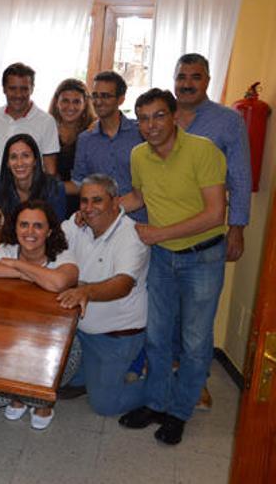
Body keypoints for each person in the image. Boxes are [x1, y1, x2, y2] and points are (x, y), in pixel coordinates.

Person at [117, 89, 227, 446]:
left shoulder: (203, 151)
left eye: (158, 115)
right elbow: (140, 197)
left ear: (175, 114)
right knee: (157, 337)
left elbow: (215, 213)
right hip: (163, 258)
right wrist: (100, 209)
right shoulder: (138, 155)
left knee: (195, 342)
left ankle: (179, 412)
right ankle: (155, 403)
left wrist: (158, 232)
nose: (151, 125)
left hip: (203, 257)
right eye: (144, 118)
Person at [0, 200, 79, 429]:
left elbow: (59, 282)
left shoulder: (62, 255)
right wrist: (20, 275)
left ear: (49, 230)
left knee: (42, 387)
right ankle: (19, 395)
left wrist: (19, 265)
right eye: (23, 225)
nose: (30, 232)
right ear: (15, 228)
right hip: (12, 340)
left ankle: (40, 401)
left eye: (38, 226)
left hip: (51, 343)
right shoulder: (6, 249)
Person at [56, 174, 150, 416]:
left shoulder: (131, 236)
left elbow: (123, 284)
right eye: (84, 201)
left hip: (116, 337)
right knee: (57, 382)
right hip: (80, 332)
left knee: (105, 405)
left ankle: (165, 384)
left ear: (115, 202)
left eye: (97, 201)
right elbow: (48, 241)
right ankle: (90, 377)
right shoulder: (78, 225)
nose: (89, 208)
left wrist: (84, 290)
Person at [173, 53, 251, 263]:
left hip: (205, 239)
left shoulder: (229, 121)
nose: (187, 84)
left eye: (195, 77)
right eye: (181, 77)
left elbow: (240, 177)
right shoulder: (161, 118)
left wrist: (237, 230)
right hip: (160, 237)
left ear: (208, 80)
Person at [70, 71, 145, 221]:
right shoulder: (85, 140)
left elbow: (150, 185)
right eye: (95, 95)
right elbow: (81, 183)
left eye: (105, 96)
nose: (98, 101)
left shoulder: (141, 134)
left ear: (121, 99)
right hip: (99, 224)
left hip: (138, 221)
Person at [0, 62, 60, 183]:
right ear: (4, 89)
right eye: (12, 88)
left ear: (32, 89)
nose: (18, 95)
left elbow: (50, 171)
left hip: (29, 200)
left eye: (24, 89)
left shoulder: (46, 121)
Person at [0, 134, 67, 227]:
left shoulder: (54, 188)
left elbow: (57, 230)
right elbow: (1, 223)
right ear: (7, 163)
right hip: (10, 240)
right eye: (13, 157)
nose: (19, 163)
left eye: (26, 156)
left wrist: (8, 224)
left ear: (35, 161)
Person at [49, 79, 94, 215]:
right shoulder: (48, 129)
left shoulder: (92, 132)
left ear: (85, 103)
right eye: (65, 101)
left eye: (76, 102)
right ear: (57, 102)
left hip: (85, 204)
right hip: (52, 201)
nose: (70, 107)